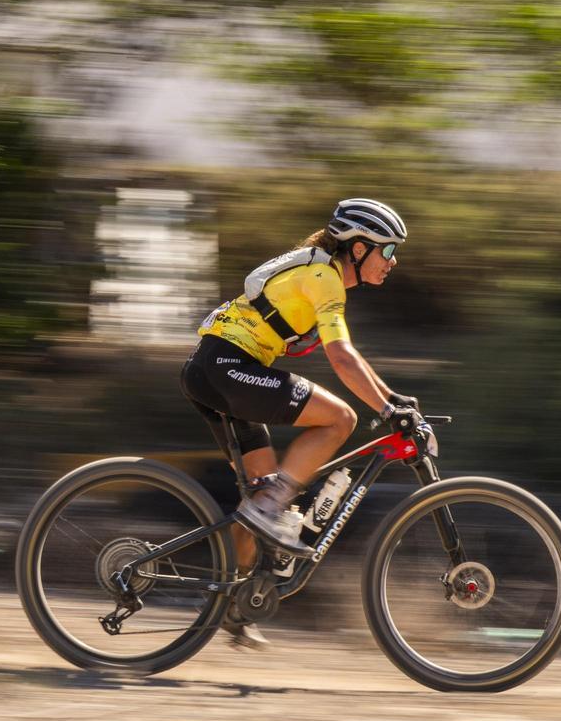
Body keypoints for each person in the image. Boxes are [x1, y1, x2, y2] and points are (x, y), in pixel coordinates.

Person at [179, 198, 420, 648]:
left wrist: (391, 399)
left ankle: (231, 602)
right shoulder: (324, 277)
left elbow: (352, 360)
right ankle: (266, 510)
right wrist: (385, 411)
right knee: (340, 420)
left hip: (211, 369)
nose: (393, 261)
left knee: (261, 494)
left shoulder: (321, 271)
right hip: (228, 366)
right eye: (387, 251)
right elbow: (342, 357)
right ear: (361, 248)